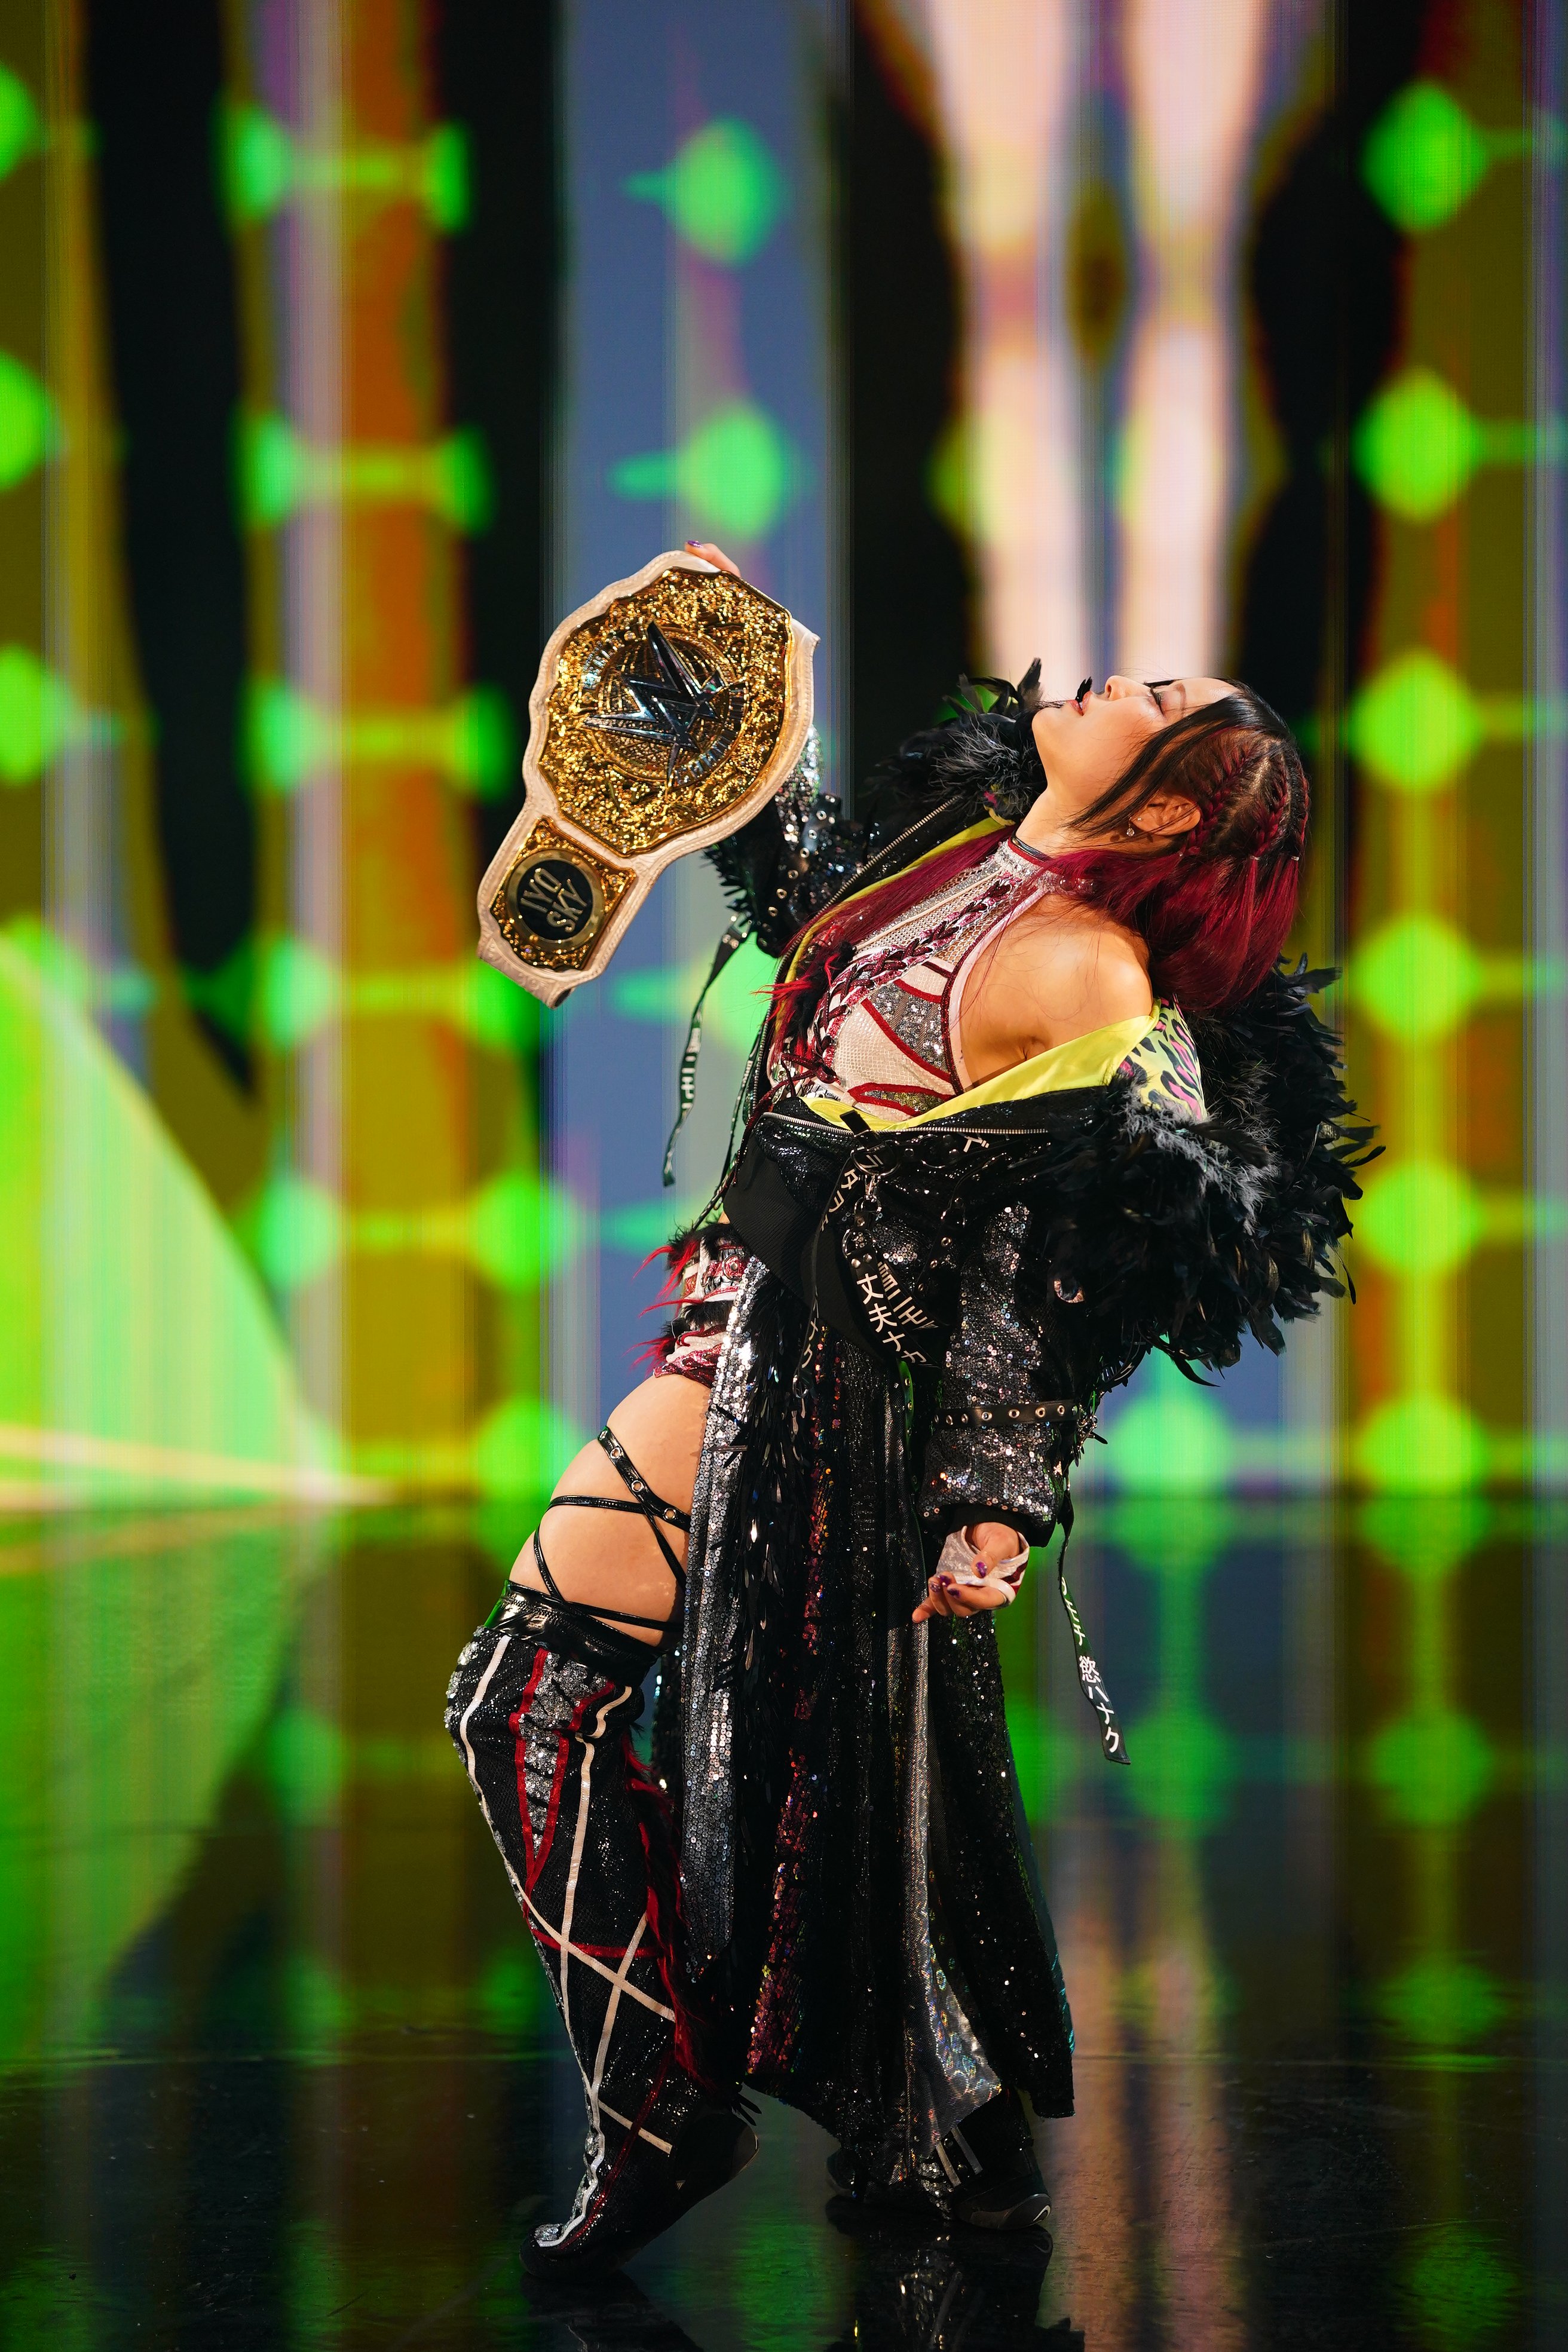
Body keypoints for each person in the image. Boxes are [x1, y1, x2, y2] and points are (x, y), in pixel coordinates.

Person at [446, 544, 1369, 2278]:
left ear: (1173, 813)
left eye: (1163, 705)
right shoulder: (970, 843)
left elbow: (1074, 1259)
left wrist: (1000, 1492)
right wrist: (732, 722)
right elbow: (806, 898)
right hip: (743, 1337)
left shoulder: (1089, 977)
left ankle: (664, 2107)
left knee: (535, 1698)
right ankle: (894, 2127)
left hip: (833, 1388)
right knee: (844, 1800)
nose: (1119, 681)